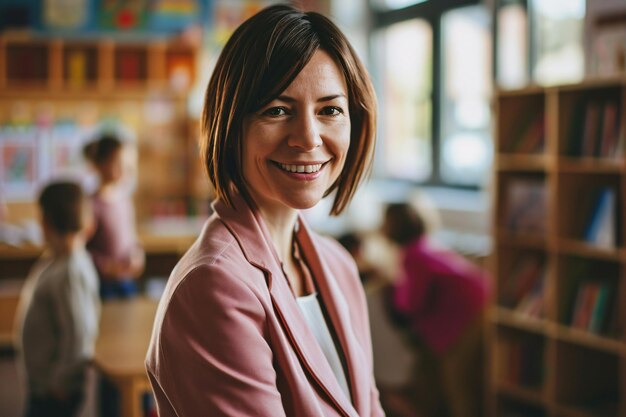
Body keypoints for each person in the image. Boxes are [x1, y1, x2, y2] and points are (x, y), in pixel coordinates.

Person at [146, 4, 384, 417]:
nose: (308, 138)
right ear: (231, 122)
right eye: (277, 110)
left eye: (330, 110)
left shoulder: (338, 265)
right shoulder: (215, 284)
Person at [381, 202, 491, 417]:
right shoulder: (425, 245)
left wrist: (393, 287)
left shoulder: (412, 256)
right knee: (456, 380)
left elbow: (410, 304)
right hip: (478, 308)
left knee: (459, 383)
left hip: (465, 318)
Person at [15, 181, 101, 417]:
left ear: (46, 221)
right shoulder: (58, 260)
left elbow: (80, 335)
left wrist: (60, 383)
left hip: (55, 391)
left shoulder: (70, 271)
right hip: (45, 386)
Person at [83, 133, 144, 299]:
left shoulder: (125, 200)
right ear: (100, 164)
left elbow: (132, 238)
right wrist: (106, 266)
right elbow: (82, 249)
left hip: (127, 280)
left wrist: (137, 254)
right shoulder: (90, 205)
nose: (123, 168)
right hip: (103, 285)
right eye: (117, 162)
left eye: (126, 163)